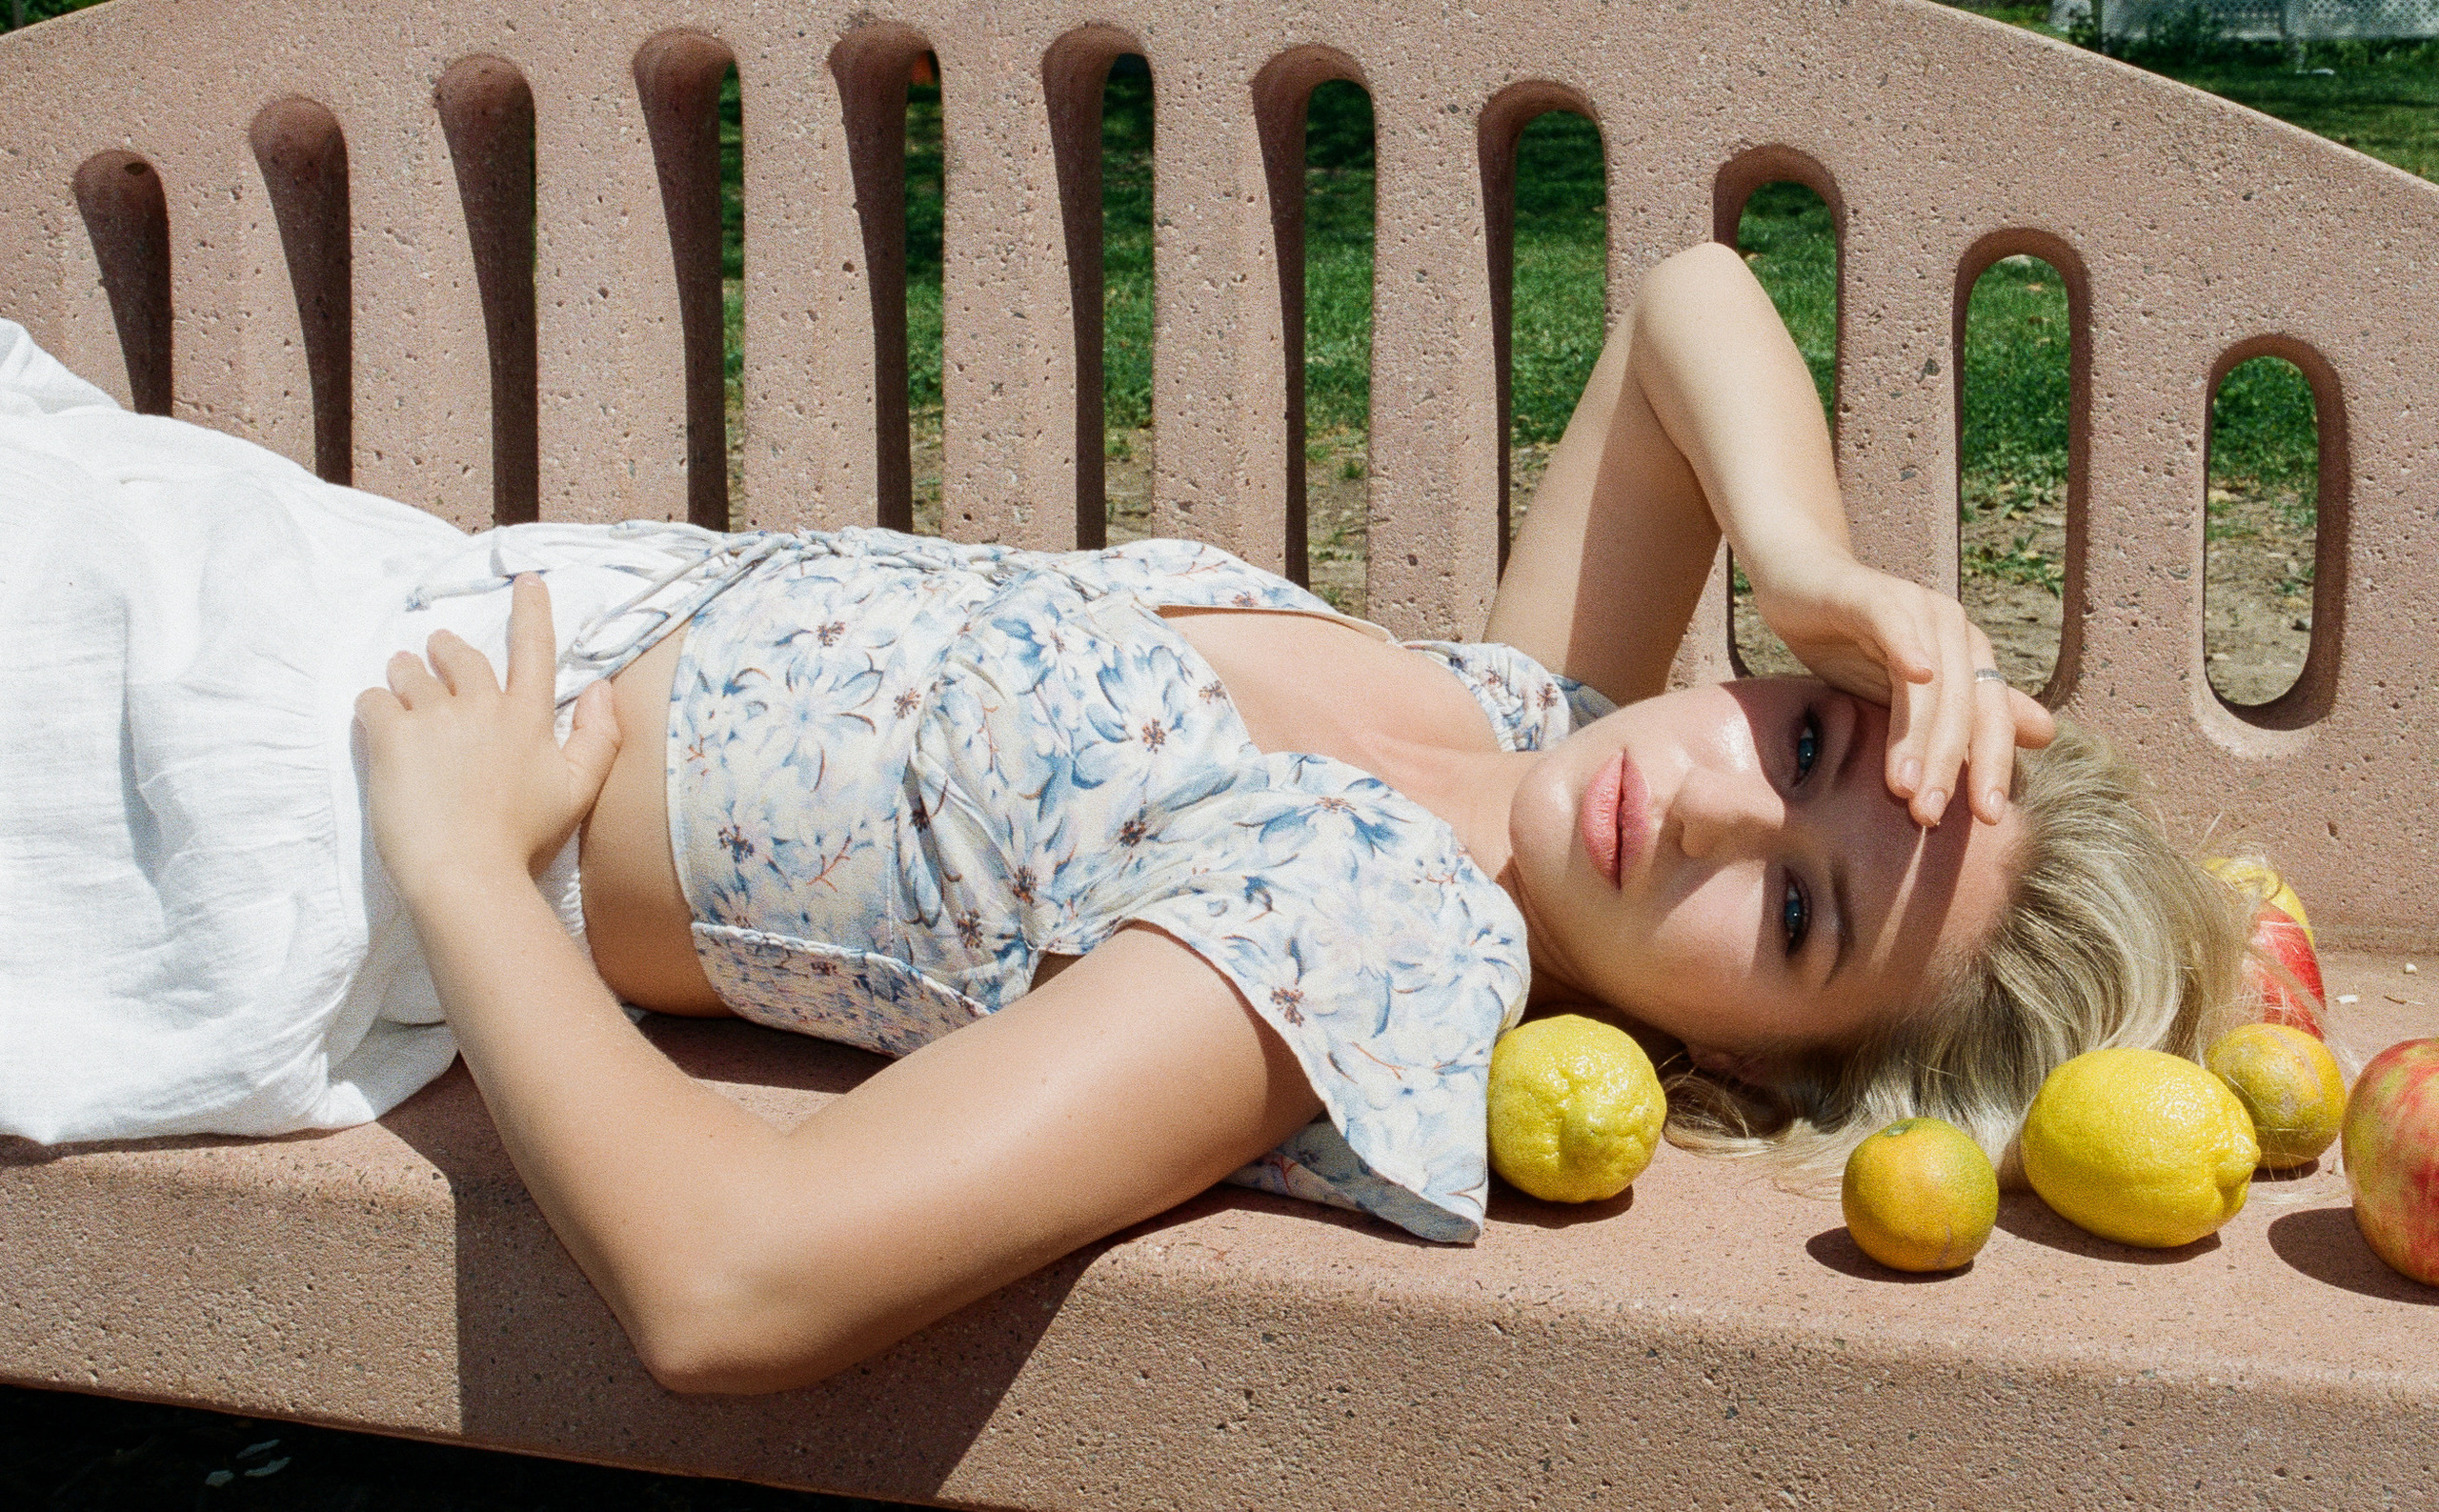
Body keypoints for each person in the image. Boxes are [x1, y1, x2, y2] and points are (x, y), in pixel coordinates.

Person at [0, 242, 2254, 1395]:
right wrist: (1814, 567)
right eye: (1812, 746)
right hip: (348, 584)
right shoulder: (1523, 714)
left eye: (1794, 923)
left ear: (1747, 1066)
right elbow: (1685, 306)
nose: (1712, 813)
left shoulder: (1375, 923)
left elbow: (735, 1279)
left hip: (281, 789)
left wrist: (459, 861)